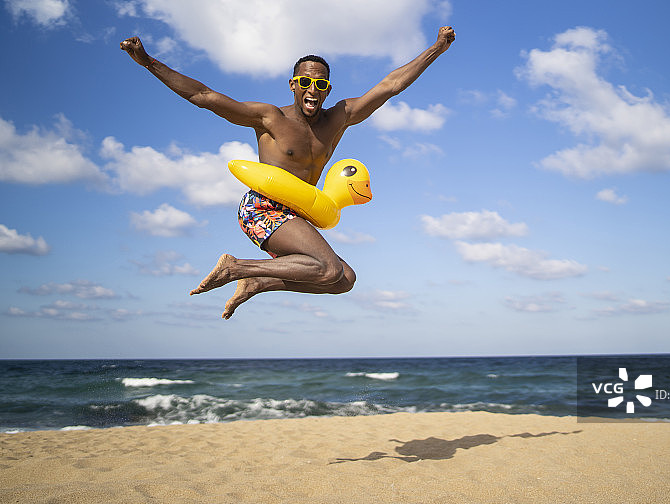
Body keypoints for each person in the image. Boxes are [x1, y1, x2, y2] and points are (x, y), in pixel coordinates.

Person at [120, 26, 455, 319]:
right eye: (306, 82)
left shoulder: (339, 118)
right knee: (328, 268)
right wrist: (149, 62)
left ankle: (258, 281)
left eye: (320, 83)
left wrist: (436, 50)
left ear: (328, 89)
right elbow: (204, 96)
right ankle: (235, 267)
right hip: (261, 208)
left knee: (342, 281)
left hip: (296, 213)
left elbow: (390, 85)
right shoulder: (269, 118)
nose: (313, 89)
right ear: (294, 85)